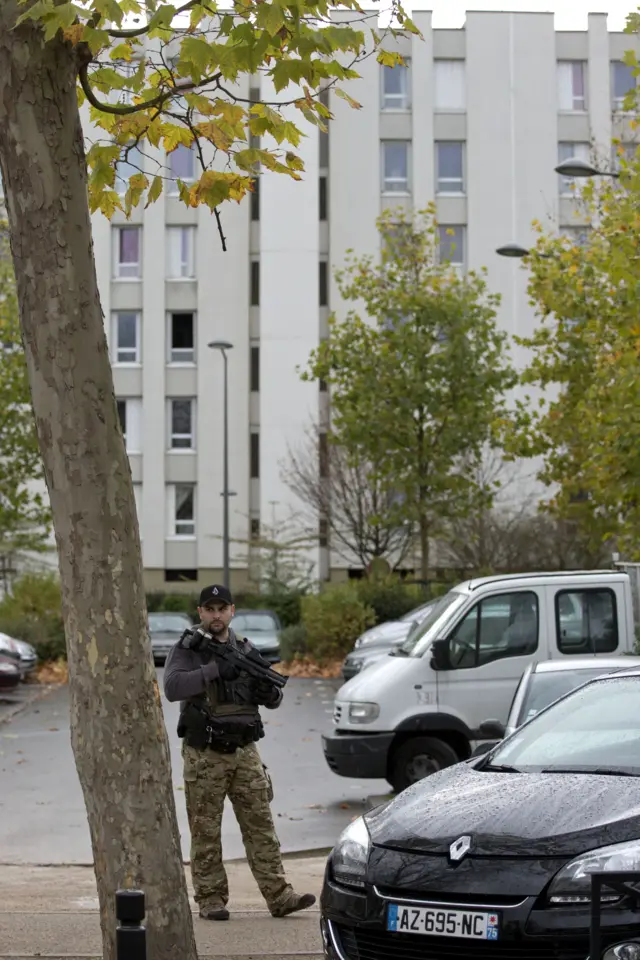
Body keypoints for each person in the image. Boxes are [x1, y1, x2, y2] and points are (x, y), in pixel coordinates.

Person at [163, 584, 316, 921]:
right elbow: (173, 688)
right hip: (206, 752)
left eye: (222, 608)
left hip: (245, 750)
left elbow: (272, 697)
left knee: (260, 825)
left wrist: (267, 692)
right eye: (209, 609)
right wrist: (214, 671)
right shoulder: (189, 648)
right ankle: (210, 898)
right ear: (200, 613)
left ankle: (280, 896)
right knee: (205, 829)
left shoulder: (246, 649)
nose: (216, 615)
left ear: (232, 611)